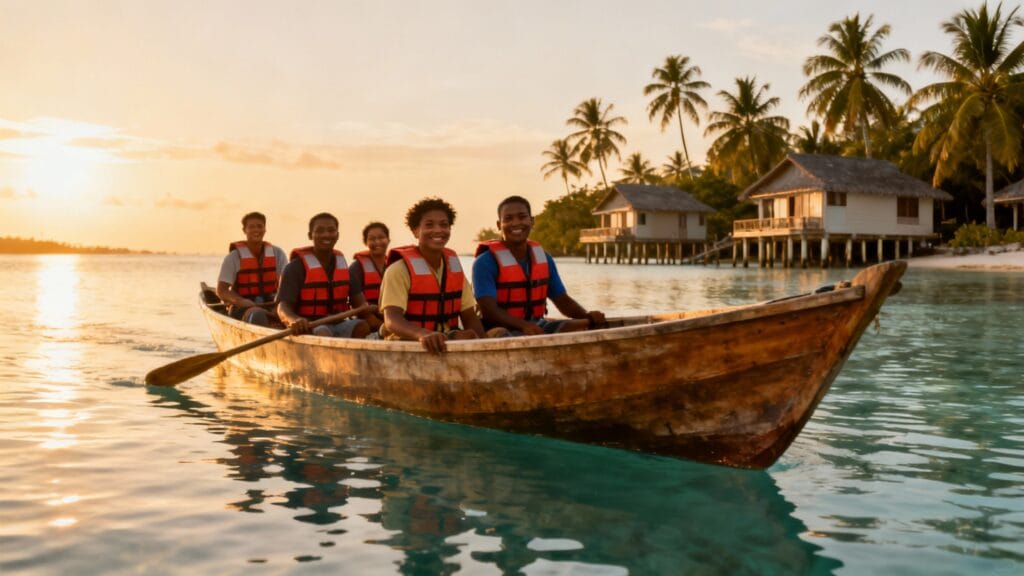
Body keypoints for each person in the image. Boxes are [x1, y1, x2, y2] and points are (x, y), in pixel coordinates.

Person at [473, 195, 605, 335]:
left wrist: (587, 316)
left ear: (532, 221)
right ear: (499, 225)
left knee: (584, 324)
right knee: (503, 333)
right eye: (508, 219)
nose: (516, 223)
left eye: (522, 217)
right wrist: (523, 326)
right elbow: (489, 311)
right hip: (499, 329)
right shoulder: (485, 262)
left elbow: (562, 300)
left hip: (536, 325)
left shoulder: (544, 258)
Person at [379, 197, 485, 353]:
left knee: (474, 334)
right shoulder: (398, 270)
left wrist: (483, 343)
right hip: (405, 342)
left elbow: (469, 316)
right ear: (415, 230)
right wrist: (422, 334)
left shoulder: (453, 268)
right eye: (429, 225)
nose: (438, 230)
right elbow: (391, 320)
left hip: (444, 337)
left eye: (444, 225)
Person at [276, 212, 371, 338]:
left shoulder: (344, 267)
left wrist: (371, 310)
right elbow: (282, 307)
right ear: (311, 235)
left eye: (331, 230)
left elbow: (361, 304)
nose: (326, 235)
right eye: (320, 231)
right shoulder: (294, 268)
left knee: (362, 326)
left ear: (337, 235)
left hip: (339, 323)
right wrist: (294, 320)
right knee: (323, 332)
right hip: (311, 325)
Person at [217, 211, 288, 326]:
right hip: (243, 307)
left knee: (288, 313)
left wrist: (281, 306)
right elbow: (222, 290)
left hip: (271, 304)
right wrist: (240, 301)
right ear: (244, 230)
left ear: (265, 229)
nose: (256, 230)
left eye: (260, 226)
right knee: (258, 315)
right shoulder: (233, 257)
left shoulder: (278, 253)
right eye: (251, 227)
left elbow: (286, 285)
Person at [348, 221, 390, 332]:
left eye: (381, 237)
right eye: (372, 239)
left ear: (388, 240)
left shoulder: (394, 265)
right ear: (365, 242)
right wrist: (382, 327)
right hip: (368, 321)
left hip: (392, 319)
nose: (377, 242)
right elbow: (357, 305)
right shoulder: (356, 268)